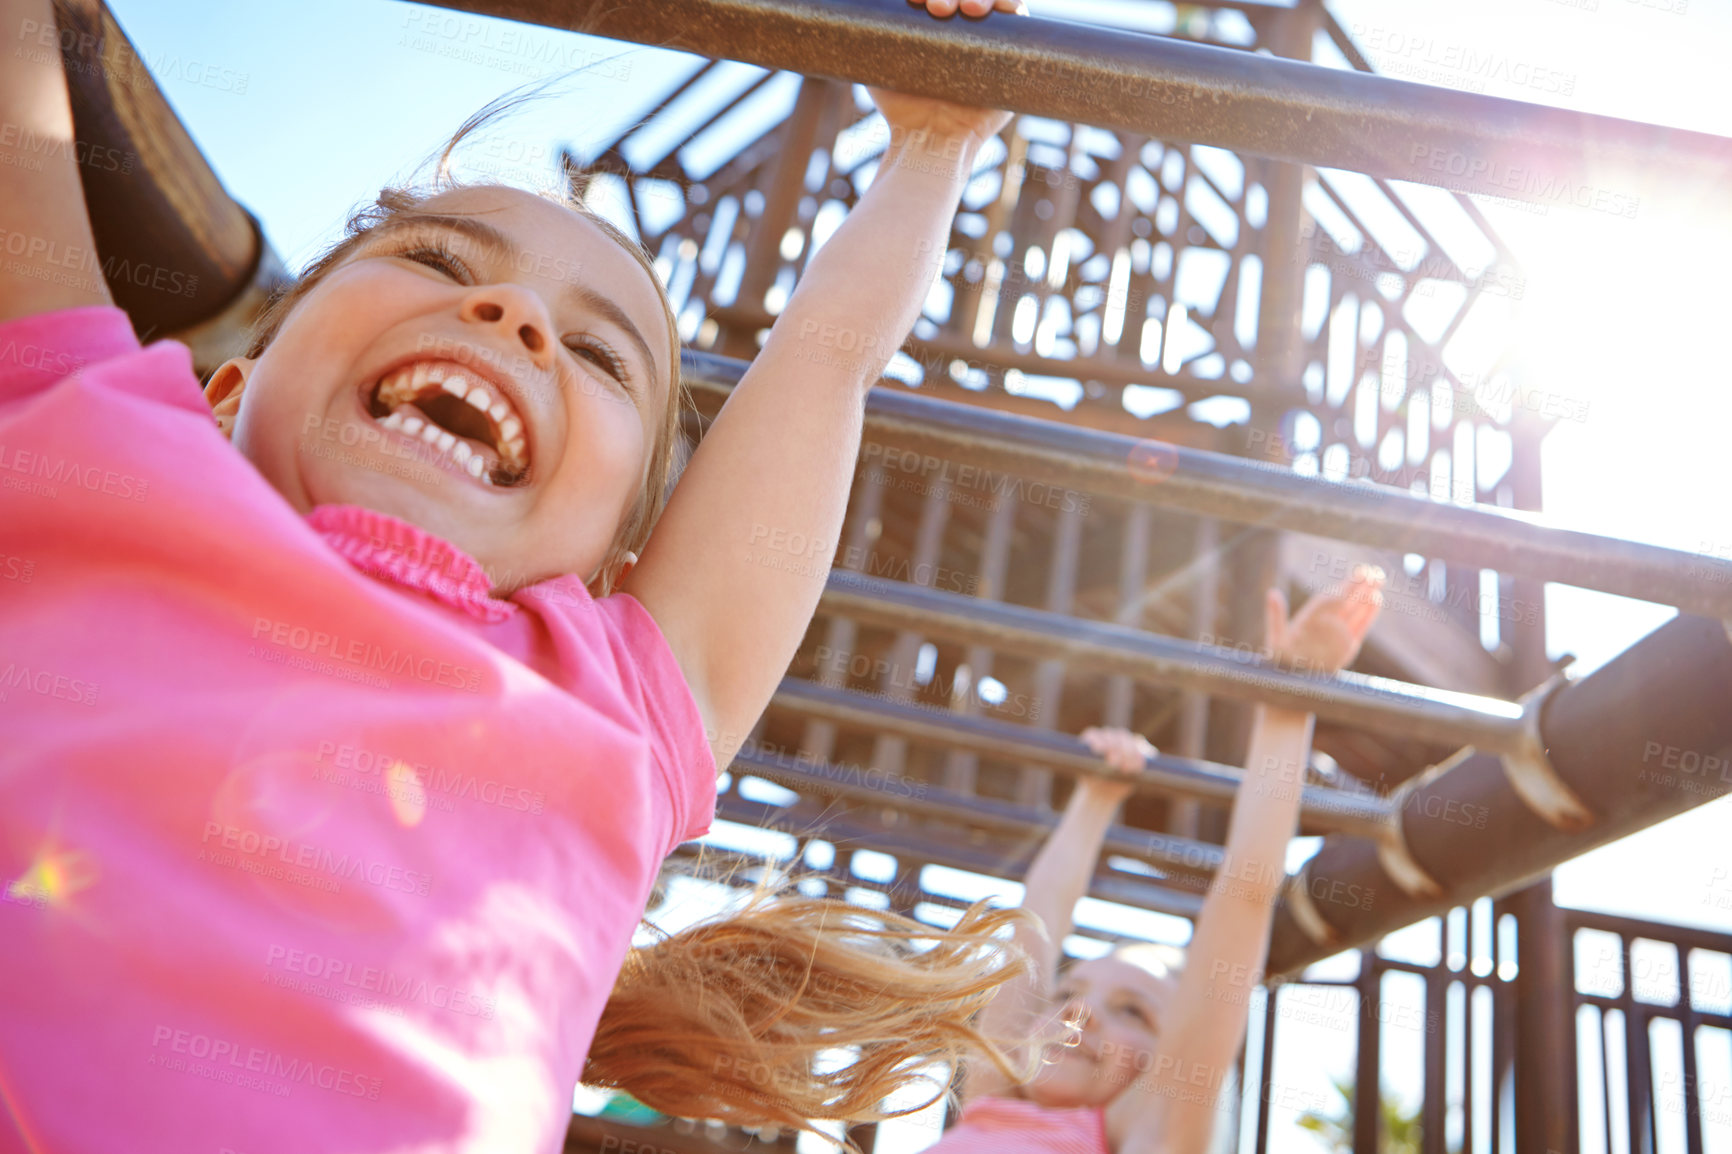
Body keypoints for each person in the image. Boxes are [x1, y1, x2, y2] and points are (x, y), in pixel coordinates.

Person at [0, 0, 1036, 1149]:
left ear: (614, 570)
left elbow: (827, 357)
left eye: (598, 354)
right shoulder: (98, 453)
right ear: (226, 391)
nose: (516, 315)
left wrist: (937, 139)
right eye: (437, 259)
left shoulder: (612, 695)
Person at [925, 571, 1385, 1154]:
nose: (1081, 1014)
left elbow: (1244, 897)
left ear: (1166, 1065)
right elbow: (1036, 923)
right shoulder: (993, 1096)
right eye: (1068, 992)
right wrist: (1095, 799)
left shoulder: (1141, 1136)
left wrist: (1290, 701)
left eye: (1133, 1013)